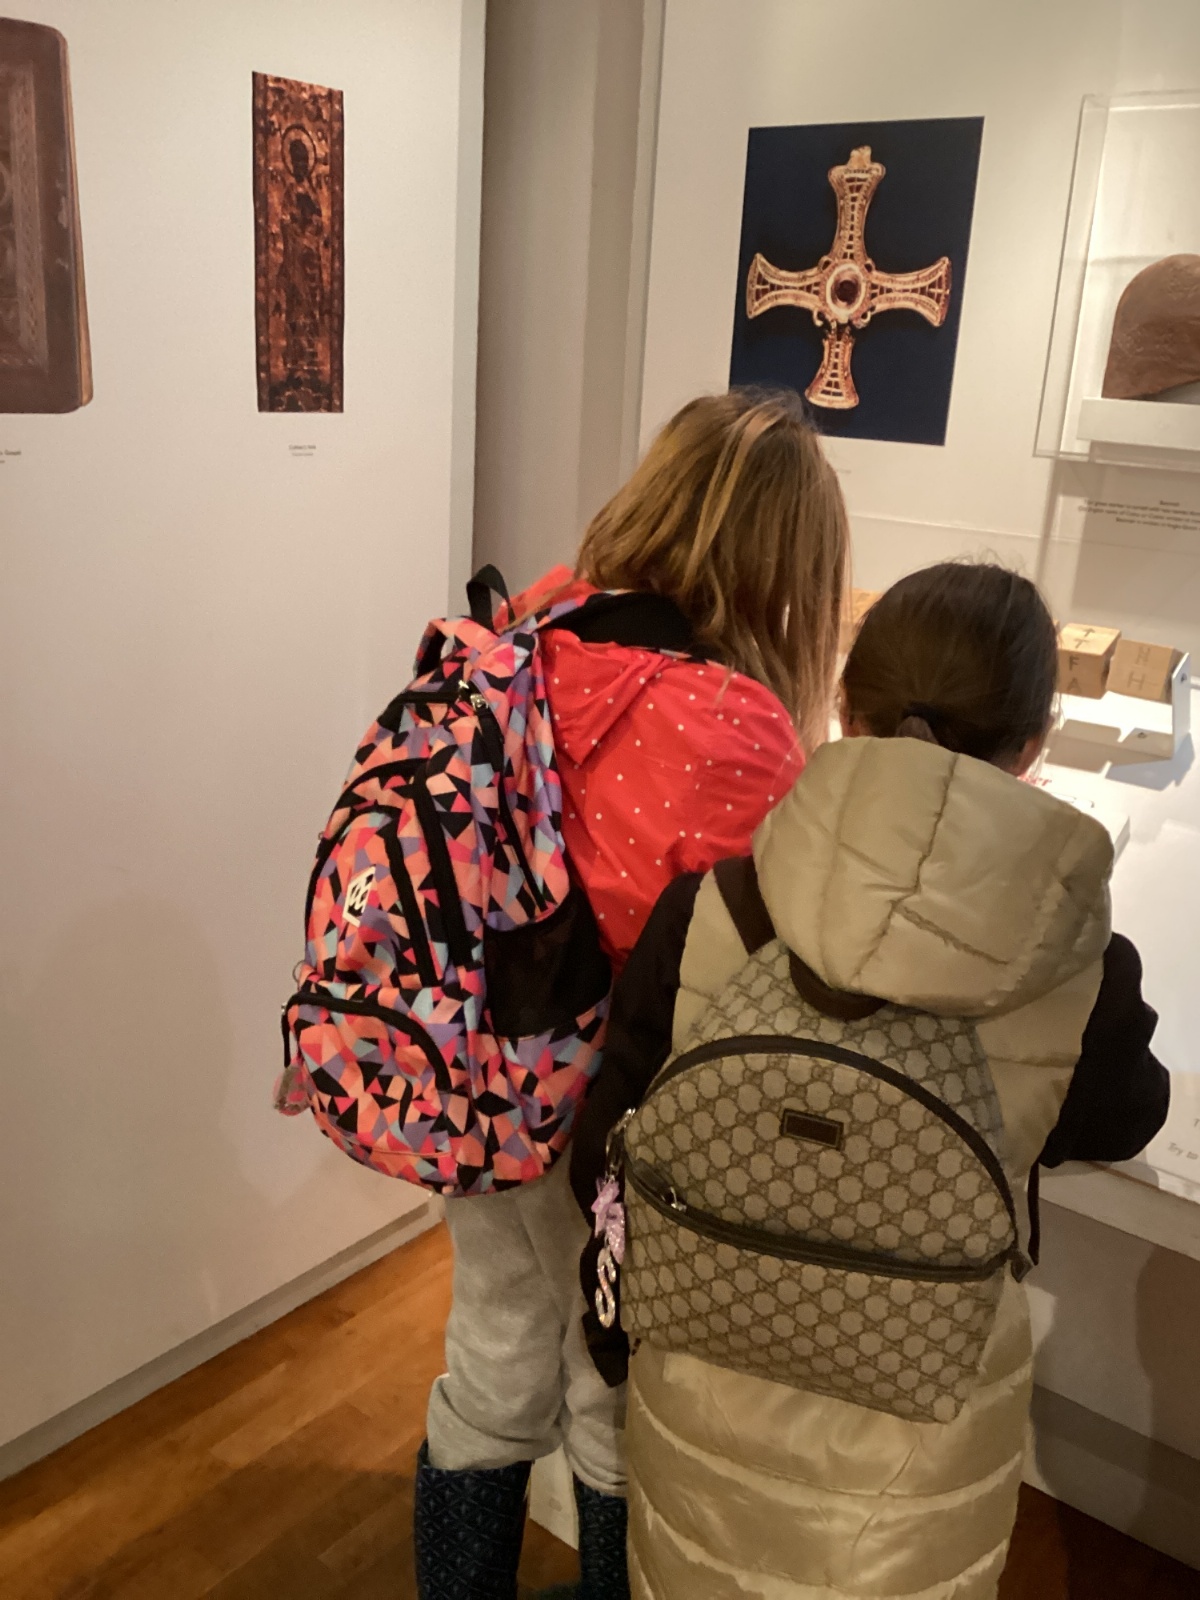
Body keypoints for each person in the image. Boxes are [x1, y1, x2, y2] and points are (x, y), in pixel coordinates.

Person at [571, 561, 1169, 1600]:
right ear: (1033, 741)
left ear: (846, 706)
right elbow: (1129, 1116)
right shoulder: (1081, 970)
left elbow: (603, 1153)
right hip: (918, 1459)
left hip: (700, 1402)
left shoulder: (712, 907)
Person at [413, 389, 850, 1599]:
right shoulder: (741, 724)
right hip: (614, 1113)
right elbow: (757, 963)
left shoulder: (531, 623)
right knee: (616, 1393)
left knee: (492, 1350)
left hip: (478, 1066)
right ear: (787, 564)